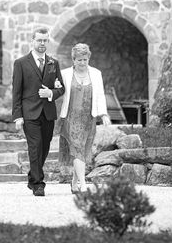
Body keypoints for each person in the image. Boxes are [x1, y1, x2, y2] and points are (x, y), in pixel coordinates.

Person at [12, 27, 65, 197]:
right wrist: (18, 116)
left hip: (48, 113)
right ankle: (38, 184)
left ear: (47, 42)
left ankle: (32, 176)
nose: (42, 44)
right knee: (35, 147)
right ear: (32, 41)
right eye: (39, 40)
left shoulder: (53, 63)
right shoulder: (21, 63)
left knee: (45, 146)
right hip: (29, 113)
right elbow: (16, 92)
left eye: (45, 40)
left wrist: (51, 93)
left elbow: (61, 87)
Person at [58, 43, 111, 193]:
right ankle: (83, 184)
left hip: (89, 118)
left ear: (88, 59)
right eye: (79, 60)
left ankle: (74, 183)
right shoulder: (65, 74)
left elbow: (100, 94)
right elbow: (59, 94)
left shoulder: (96, 73)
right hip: (71, 118)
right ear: (73, 60)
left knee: (82, 151)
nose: (82, 62)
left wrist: (104, 114)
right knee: (77, 148)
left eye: (85, 59)